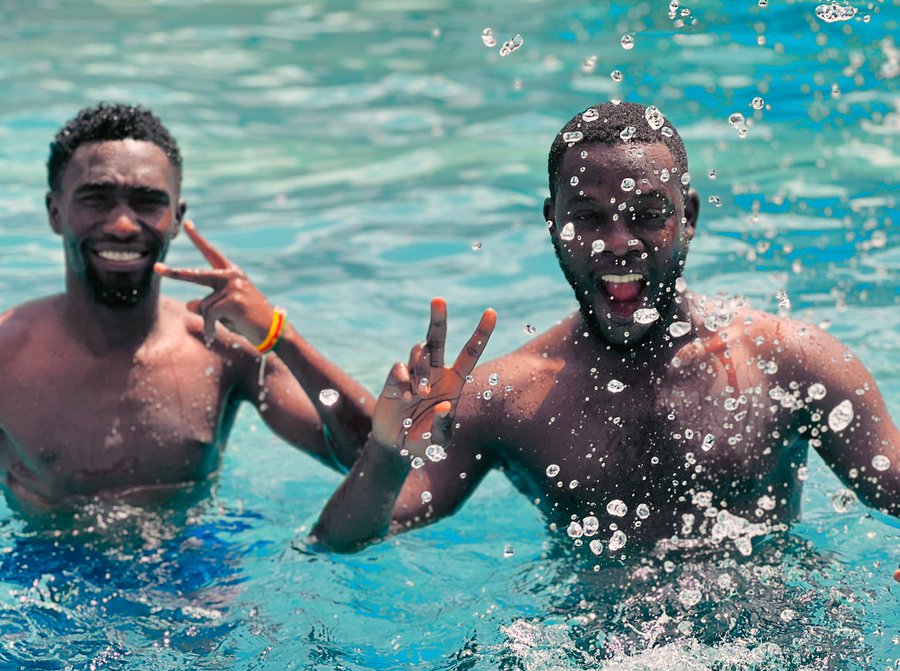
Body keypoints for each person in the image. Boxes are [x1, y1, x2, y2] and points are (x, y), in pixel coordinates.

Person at [313, 100, 900, 555]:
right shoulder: (508, 399)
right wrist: (388, 453)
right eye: (589, 219)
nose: (619, 245)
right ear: (553, 223)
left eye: (648, 216)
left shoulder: (790, 364)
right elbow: (344, 542)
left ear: (687, 217)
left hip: (784, 647)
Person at [0, 102, 373, 514]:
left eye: (147, 202)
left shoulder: (222, 347)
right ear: (55, 212)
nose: (123, 225)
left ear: (176, 218)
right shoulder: (5, 355)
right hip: (41, 565)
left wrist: (281, 337)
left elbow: (375, 461)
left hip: (193, 564)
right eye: (97, 199)